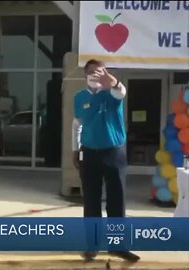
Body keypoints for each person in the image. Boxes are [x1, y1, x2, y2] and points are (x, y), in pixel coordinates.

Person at [72, 59, 140, 262]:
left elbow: (121, 92)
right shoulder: (79, 97)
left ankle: (117, 246)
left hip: (114, 152)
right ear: (85, 76)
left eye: (100, 71)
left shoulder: (111, 93)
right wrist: (75, 151)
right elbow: (77, 125)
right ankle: (92, 246)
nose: (96, 75)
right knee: (91, 201)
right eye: (92, 72)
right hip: (89, 153)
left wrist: (113, 82)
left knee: (116, 200)